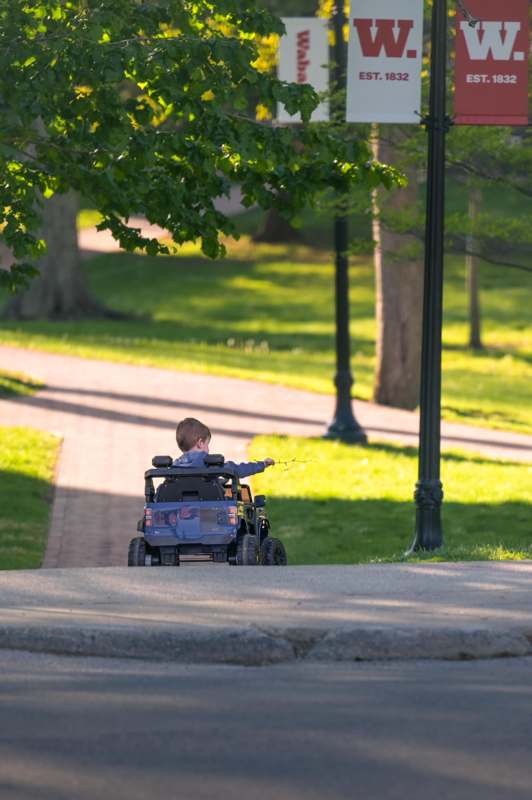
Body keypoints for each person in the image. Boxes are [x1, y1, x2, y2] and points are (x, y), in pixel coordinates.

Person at [173, 417, 275, 478]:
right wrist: (262, 464)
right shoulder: (211, 464)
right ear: (200, 443)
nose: (208, 449)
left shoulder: (172, 469)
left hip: (181, 513)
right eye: (207, 444)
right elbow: (238, 470)